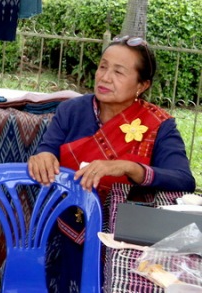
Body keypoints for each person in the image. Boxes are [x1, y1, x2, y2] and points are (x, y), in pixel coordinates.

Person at [27, 35, 195, 291]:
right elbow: (48, 149)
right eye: (103, 66)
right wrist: (43, 156)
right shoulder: (72, 111)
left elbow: (183, 179)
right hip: (66, 229)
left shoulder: (159, 125)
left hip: (125, 239)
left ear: (142, 84)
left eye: (118, 72)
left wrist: (130, 167)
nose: (105, 77)